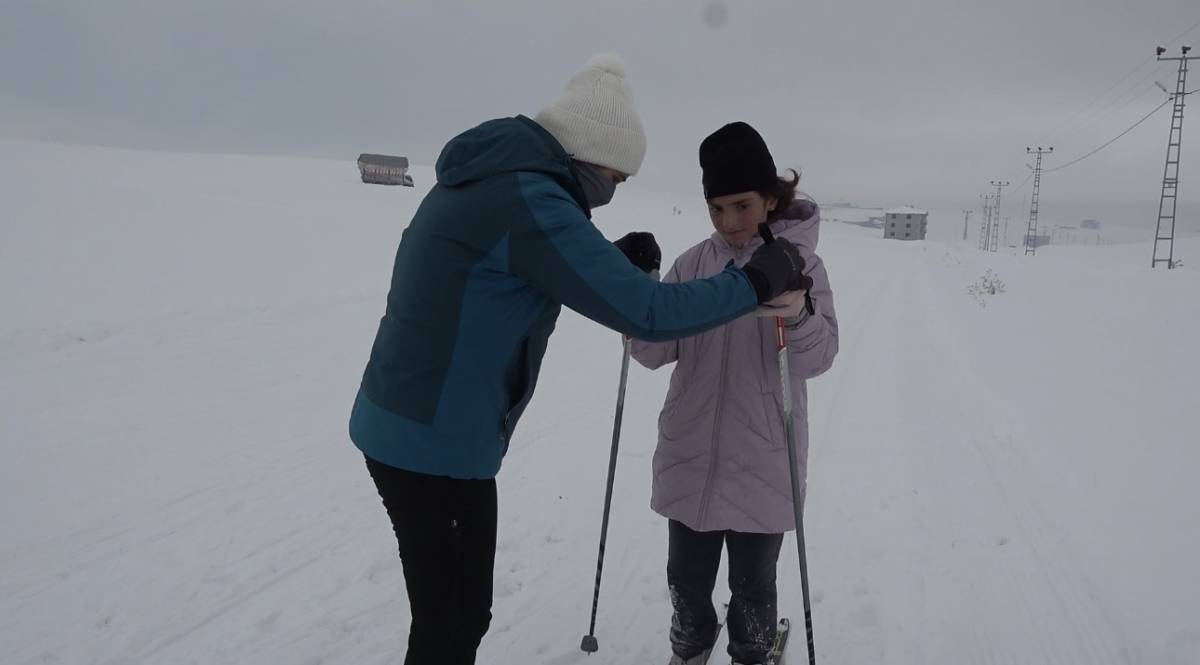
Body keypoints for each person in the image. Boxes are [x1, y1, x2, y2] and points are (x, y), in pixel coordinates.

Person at [348, 57, 810, 665]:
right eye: (615, 177)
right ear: (593, 157)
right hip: (432, 441)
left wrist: (607, 260)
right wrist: (753, 283)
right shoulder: (528, 197)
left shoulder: (499, 178)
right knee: (450, 624)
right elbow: (648, 317)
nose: (612, 191)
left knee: (459, 615)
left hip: (417, 421)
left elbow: (517, 268)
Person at [630, 122, 839, 665]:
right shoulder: (695, 265)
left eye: (742, 205)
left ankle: (751, 652)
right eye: (716, 208)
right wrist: (636, 293)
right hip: (690, 451)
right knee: (686, 578)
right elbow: (651, 350)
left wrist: (799, 315)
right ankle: (690, 646)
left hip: (763, 456)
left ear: (771, 198)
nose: (729, 222)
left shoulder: (802, 267)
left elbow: (818, 359)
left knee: (753, 585)